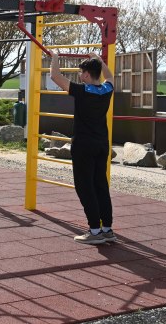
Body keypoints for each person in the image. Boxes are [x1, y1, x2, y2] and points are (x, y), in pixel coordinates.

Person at [50, 51, 116, 245]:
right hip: (102, 144)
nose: (79, 75)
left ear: (87, 74)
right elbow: (110, 76)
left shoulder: (82, 90)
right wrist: (100, 61)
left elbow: (55, 76)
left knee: (85, 186)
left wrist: (54, 57)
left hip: (83, 146)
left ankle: (94, 231)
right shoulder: (107, 89)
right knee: (101, 186)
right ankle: (107, 229)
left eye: (81, 72)